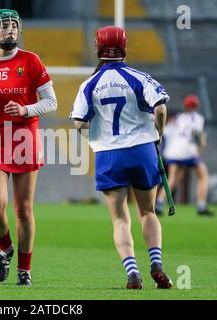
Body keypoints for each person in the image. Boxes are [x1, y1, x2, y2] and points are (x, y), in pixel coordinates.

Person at [70, 26, 172, 289]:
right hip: (142, 151)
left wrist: (99, 133)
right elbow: (160, 108)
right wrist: (158, 134)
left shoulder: (89, 83)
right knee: (148, 211)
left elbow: (79, 124)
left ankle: (132, 271)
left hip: (108, 155)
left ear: (98, 47)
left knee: (120, 218)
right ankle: (156, 263)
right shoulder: (140, 77)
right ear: (124, 46)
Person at [0, 9, 57, 286]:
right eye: (4, 26)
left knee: (23, 209)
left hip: (25, 138)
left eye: (14, 26)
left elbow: (51, 101)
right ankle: (5, 248)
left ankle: (24, 270)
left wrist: (27, 109)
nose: (10, 31)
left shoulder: (31, 61)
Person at [155, 95, 215, 216]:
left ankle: (159, 204)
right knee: (203, 176)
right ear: (196, 106)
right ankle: (201, 206)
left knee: (173, 178)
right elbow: (198, 135)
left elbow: (166, 132)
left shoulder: (178, 117)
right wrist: (201, 146)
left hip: (173, 151)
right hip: (188, 151)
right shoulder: (198, 118)